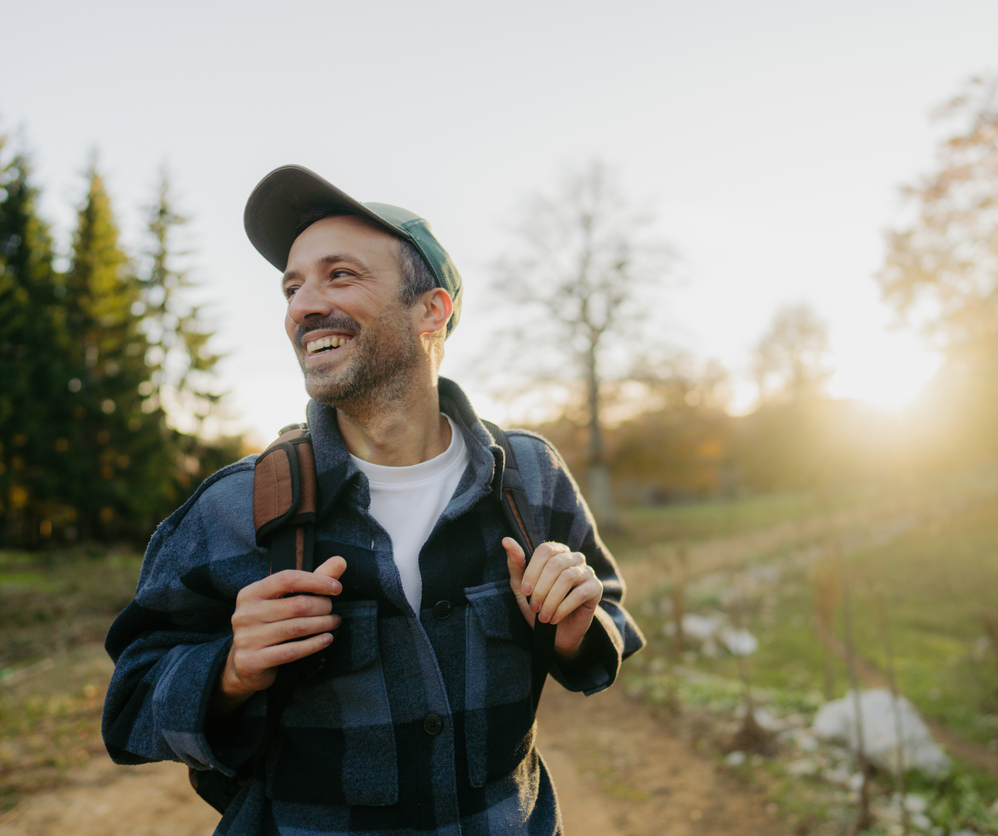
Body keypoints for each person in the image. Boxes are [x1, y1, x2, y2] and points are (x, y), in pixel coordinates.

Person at [102, 164, 645, 836]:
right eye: (292, 286)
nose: (302, 306)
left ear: (430, 310)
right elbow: (130, 704)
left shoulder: (529, 477)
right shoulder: (235, 505)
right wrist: (231, 670)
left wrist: (575, 633)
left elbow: (610, 612)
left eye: (340, 275)